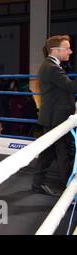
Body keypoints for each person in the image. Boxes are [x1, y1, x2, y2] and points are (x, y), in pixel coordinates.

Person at [33, 35, 76, 196]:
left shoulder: (51, 66)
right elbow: (70, 87)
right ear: (55, 50)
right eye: (67, 48)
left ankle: (38, 183)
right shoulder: (51, 67)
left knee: (48, 152)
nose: (70, 52)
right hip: (57, 118)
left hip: (54, 117)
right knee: (65, 154)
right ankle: (71, 192)